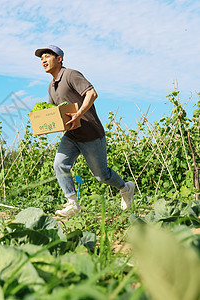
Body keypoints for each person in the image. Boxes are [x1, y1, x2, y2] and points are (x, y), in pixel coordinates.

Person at [34, 45, 135, 217]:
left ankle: (126, 188)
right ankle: (73, 203)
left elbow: (92, 94)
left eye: (47, 56)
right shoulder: (51, 86)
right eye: (41, 57)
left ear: (59, 59)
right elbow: (54, 112)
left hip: (90, 133)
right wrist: (44, 124)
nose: (43, 60)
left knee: (102, 176)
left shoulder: (71, 75)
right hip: (72, 135)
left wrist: (79, 114)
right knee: (59, 164)